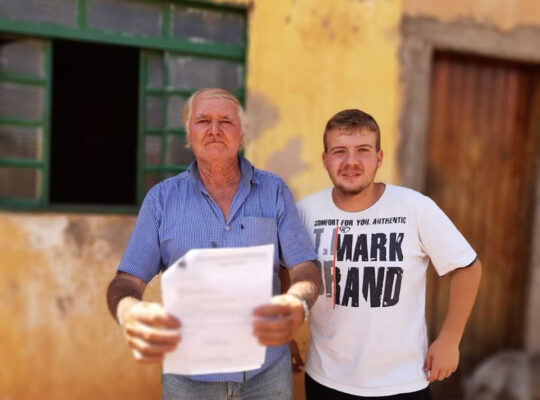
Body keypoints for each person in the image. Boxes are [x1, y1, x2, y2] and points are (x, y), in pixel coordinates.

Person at [106, 88, 321, 400]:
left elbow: (305, 268)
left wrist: (297, 303)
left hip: (266, 374)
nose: (214, 129)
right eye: (203, 120)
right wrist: (128, 311)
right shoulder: (161, 200)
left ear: (242, 134)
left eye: (226, 121)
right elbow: (127, 280)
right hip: (188, 378)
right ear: (189, 134)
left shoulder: (274, 191)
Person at [296, 109, 482, 400]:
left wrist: (449, 339)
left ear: (379, 157)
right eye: (339, 151)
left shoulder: (414, 207)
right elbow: (287, 270)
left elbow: (467, 268)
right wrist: (285, 335)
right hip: (326, 379)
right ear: (325, 159)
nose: (351, 161)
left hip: (402, 382)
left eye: (363, 150)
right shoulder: (306, 211)